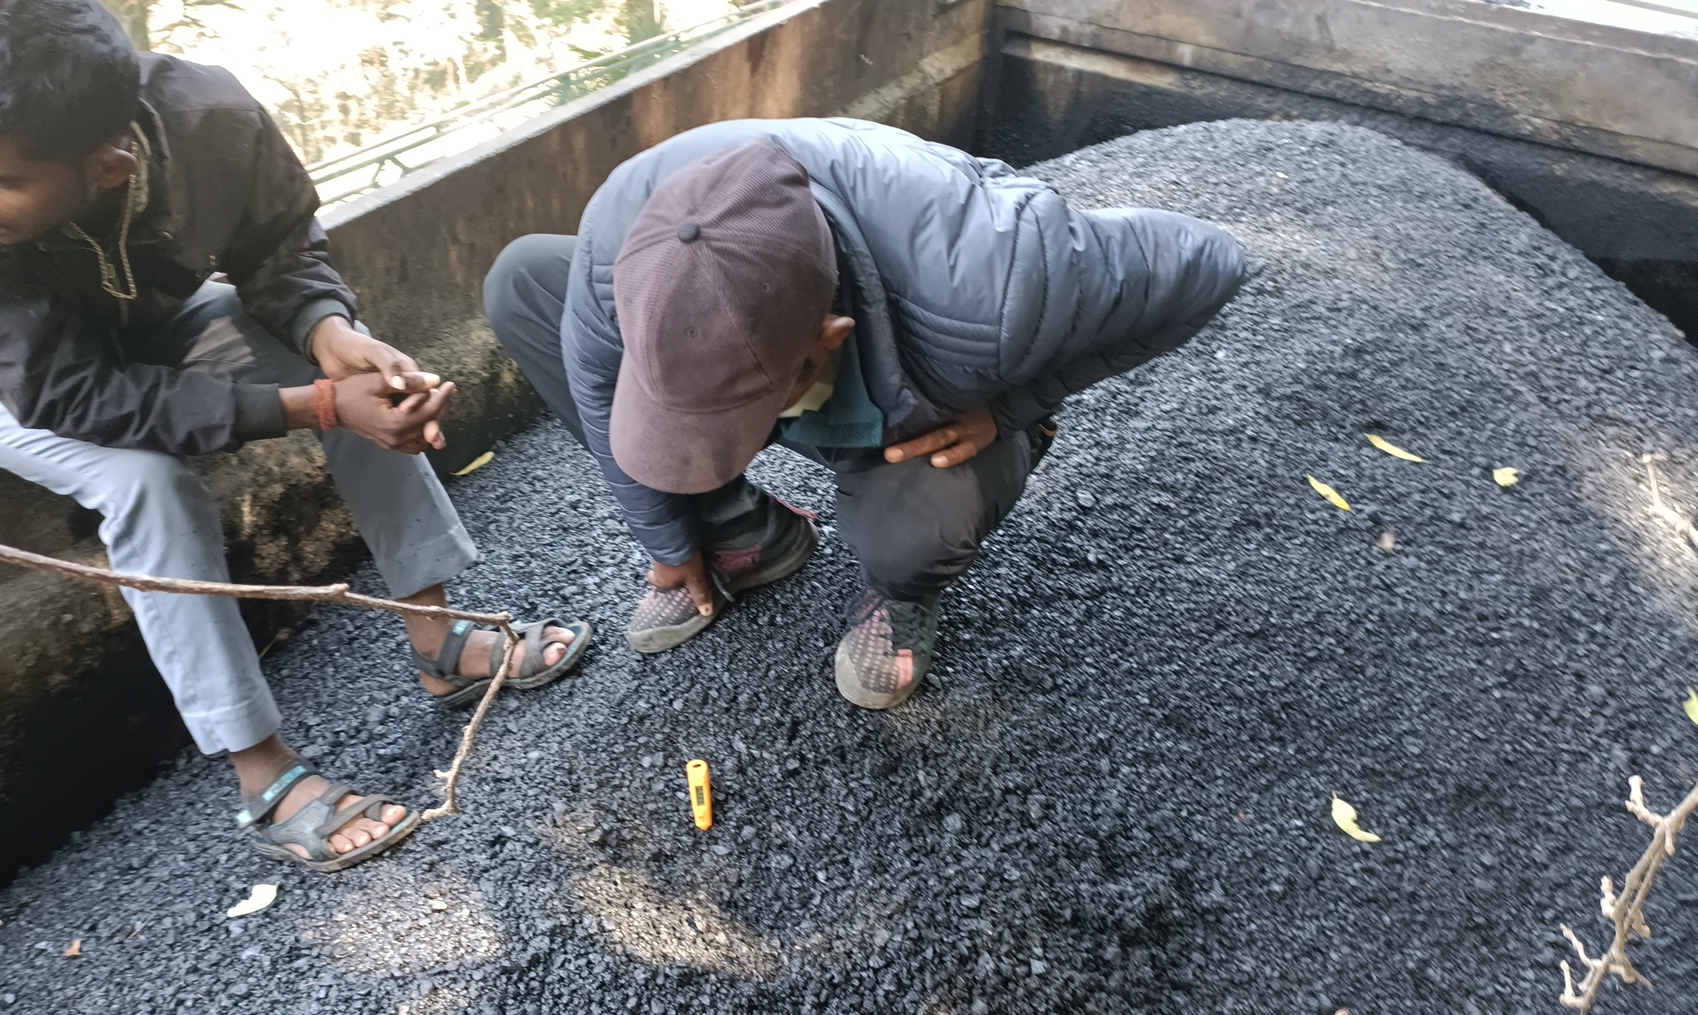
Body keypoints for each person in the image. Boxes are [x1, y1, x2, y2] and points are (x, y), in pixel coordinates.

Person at [0, 0, 591, 872]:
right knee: (144, 483)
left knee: (354, 375)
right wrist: (313, 406)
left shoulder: (213, 120)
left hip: (139, 320)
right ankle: (262, 771)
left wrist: (325, 332)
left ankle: (442, 640)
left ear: (110, 165)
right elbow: (67, 390)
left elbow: (280, 253)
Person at [484, 118, 1243, 709]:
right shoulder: (623, 237)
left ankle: (902, 596)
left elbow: (1209, 261)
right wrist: (669, 540)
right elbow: (593, 380)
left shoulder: (1006, 281)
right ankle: (744, 533)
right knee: (523, 281)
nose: (705, 444)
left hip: (933, 386)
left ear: (828, 341)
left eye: (729, 420)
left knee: (910, 531)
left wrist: (1014, 404)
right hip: (817, 346)